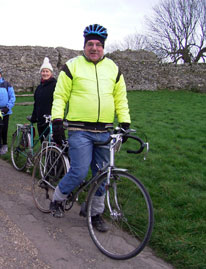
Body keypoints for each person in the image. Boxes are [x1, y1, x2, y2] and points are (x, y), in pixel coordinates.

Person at [50, 24, 131, 232]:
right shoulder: (72, 66)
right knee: (78, 172)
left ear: (103, 47)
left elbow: (120, 98)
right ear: (84, 46)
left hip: (104, 130)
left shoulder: (113, 68)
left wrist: (125, 122)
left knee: (102, 175)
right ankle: (57, 199)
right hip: (79, 130)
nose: (94, 48)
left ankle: (94, 213)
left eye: (98, 45)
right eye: (90, 44)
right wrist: (57, 120)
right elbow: (60, 96)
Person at [30, 57, 57, 140]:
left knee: (53, 143)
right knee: (43, 142)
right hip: (41, 119)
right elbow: (36, 103)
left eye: (47, 71)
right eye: (43, 71)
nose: (45, 73)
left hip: (51, 119)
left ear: (51, 73)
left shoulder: (55, 85)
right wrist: (34, 116)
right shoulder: (39, 88)